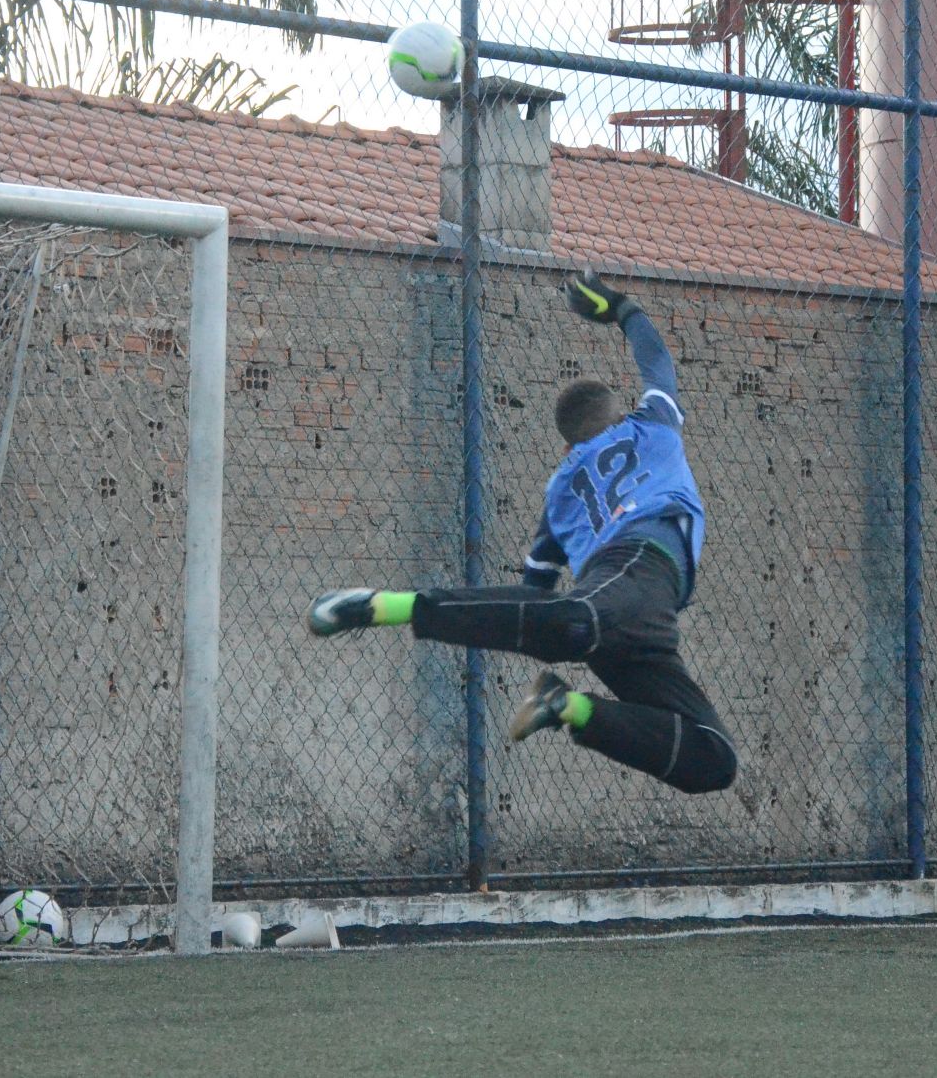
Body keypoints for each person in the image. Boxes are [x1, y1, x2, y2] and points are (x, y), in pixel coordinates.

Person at [305, 270, 737, 795]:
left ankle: (567, 705)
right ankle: (388, 606)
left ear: (566, 446)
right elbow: (657, 363)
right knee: (573, 622)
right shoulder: (651, 424)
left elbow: (532, 598)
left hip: (633, 614)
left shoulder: (559, 490)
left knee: (713, 758)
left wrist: (544, 623)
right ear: (619, 412)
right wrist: (622, 308)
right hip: (639, 565)